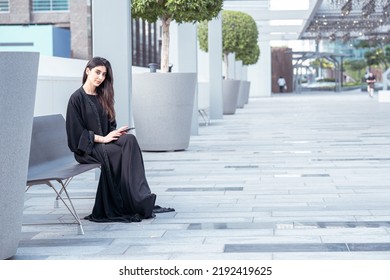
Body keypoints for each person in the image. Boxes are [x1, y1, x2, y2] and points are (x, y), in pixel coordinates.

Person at [66, 57, 174, 223]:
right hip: (86, 149)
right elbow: (75, 136)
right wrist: (103, 138)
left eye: (103, 74)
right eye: (97, 72)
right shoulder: (76, 98)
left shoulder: (103, 95)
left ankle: (139, 197)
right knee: (119, 152)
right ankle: (126, 201)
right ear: (88, 70)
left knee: (129, 140)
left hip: (105, 142)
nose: (100, 77)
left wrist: (115, 133)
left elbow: (109, 125)